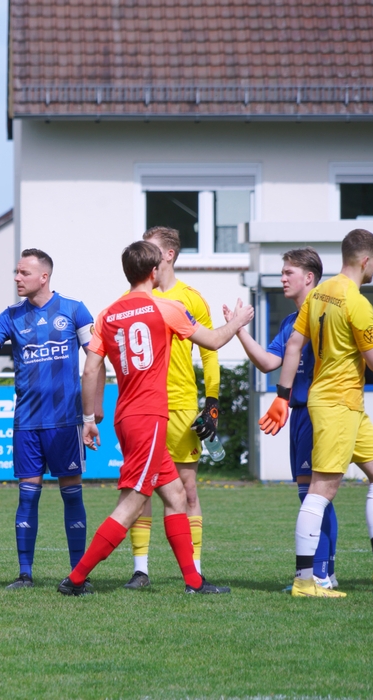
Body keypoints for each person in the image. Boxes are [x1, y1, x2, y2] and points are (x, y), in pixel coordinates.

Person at [58, 241, 250, 596]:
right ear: (153, 271)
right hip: (150, 416)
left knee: (176, 495)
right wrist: (238, 321)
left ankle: (194, 582)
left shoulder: (107, 314)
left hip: (126, 416)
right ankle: (76, 579)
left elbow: (90, 370)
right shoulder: (168, 308)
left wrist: (88, 418)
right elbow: (212, 342)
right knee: (133, 502)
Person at [261, 228, 373, 597]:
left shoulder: (319, 293)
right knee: (322, 490)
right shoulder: (356, 302)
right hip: (336, 405)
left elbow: (294, 345)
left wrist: (281, 396)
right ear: (366, 260)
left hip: (346, 405)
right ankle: (306, 580)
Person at [0, 248, 94, 589]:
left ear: (44, 276)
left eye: (24, 273)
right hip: (27, 423)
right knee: (27, 496)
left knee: (72, 496)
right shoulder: (11, 316)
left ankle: (78, 575)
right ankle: (25, 574)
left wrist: (91, 413)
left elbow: (96, 359)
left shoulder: (74, 310)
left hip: (66, 421)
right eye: (16, 272)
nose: (17, 278)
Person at [228, 248, 339, 589]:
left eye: (289, 272)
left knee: (315, 495)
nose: (282, 278)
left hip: (322, 412)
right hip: (298, 413)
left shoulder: (328, 314)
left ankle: (319, 573)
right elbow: (267, 362)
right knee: (310, 494)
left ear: (309, 277)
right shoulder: (291, 322)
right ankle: (325, 572)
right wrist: (239, 329)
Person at [124, 227, 222, 589]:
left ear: (168, 255)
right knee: (141, 489)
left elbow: (210, 353)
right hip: (143, 408)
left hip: (181, 406)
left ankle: (193, 571)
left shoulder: (191, 299)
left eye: (149, 247)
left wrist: (212, 403)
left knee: (188, 489)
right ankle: (141, 570)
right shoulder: (130, 298)